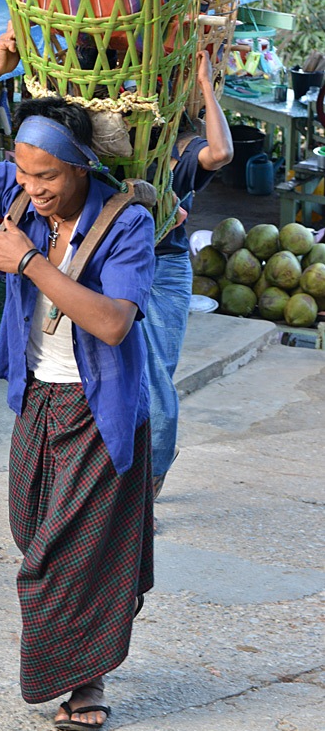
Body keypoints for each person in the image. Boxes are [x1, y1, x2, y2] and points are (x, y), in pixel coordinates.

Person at [0, 26, 155, 731]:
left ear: (80, 167)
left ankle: (83, 684)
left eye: (46, 176)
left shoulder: (124, 219)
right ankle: (82, 657)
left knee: (56, 558)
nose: (32, 188)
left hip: (98, 407)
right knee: (31, 531)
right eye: (22, 173)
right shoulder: (15, 195)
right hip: (37, 402)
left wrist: (30, 263)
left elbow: (111, 324)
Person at [144, 50, 233, 500]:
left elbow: (222, 152)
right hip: (112, 262)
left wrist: (205, 83)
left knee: (156, 373)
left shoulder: (186, 146)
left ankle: (151, 478)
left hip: (164, 266)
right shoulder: (118, 131)